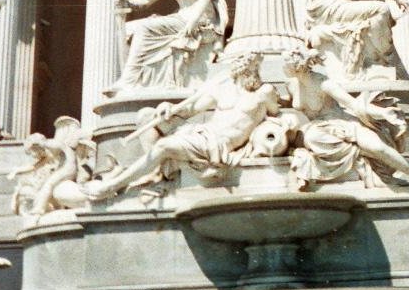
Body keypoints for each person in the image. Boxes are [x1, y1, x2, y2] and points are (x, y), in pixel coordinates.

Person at [88, 52, 280, 198]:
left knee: (164, 146)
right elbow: (189, 110)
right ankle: (156, 176)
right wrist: (168, 108)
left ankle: (112, 186)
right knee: (146, 115)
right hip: (202, 134)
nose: (254, 74)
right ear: (238, 71)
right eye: (250, 68)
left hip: (218, 145)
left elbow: (278, 112)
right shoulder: (222, 91)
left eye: (256, 69)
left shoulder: (263, 92)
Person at [281, 48, 409, 193]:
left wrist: (383, 113)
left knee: (378, 148)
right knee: (311, 137)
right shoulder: (292, 84)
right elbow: (283, 103)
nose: (282, 67)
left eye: (285, 63)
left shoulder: (323, 83)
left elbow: (353, 105)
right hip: (317, 127)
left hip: (342, 123)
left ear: (297, 66)